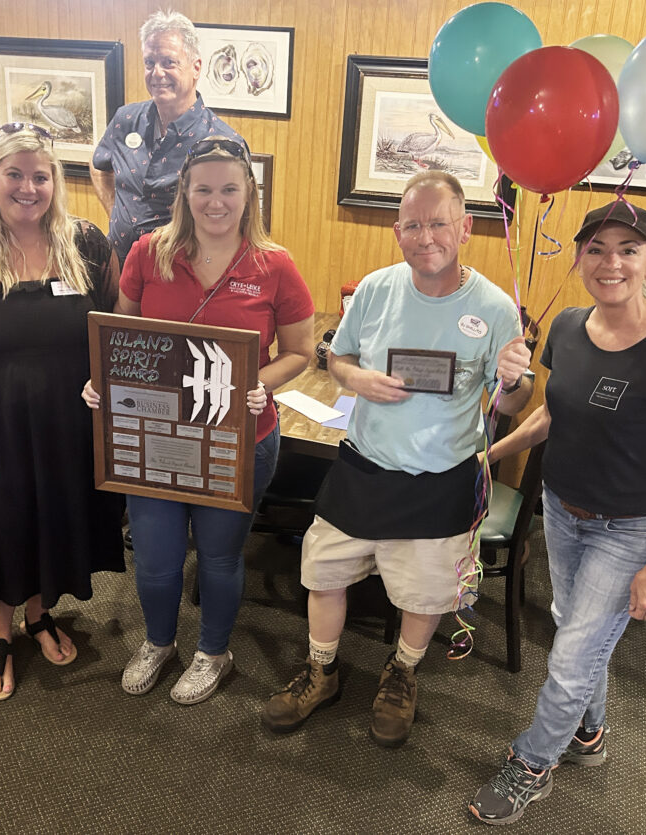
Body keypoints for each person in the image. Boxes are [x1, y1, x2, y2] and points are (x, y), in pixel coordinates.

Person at [263, 170, 533, 746]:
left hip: (442, 476)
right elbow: (336, 358)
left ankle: (402, 674)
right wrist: (356, 375)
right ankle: (321, 670)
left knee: (425, 592)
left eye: (438, 223)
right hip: (363, 464)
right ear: (397, 231)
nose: (425, 235)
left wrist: (513, 381)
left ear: (464, 228)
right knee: (323, 574)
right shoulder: (376, 289)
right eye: (413, 224)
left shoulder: (494, 308)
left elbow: (512, 399)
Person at [468, 201, 646, 825]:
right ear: (580, 258)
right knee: (574, 627)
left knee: (573, 653)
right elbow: (554, 414)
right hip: (562, 510)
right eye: (597, 249)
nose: (611, 263)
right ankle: (589, 733)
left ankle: (533, 762)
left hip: (629, 528)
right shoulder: (571, 327)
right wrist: (490, 455)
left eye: (628, 250)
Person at [83, 136, 314, 704]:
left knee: (218, 555)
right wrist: (103, 379)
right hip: (158, 436)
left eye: (229, 189)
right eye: (204, 188)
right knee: (158, 559)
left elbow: (301, 352)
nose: (216, 201)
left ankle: (214, 652)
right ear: (184, 192)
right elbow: (124, 336)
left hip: (239, 437)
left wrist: (261, 382)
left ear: (248, 194)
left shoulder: (274, 265)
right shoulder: (147, 252)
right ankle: (159, 643)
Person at [0, 124, 124, 701]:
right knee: (4, 522)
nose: (28, 187)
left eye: (41, 176)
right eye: (15, 174)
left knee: (54, 518)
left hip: (71, 416)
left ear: (56, 182)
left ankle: (39, 616)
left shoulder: (85, 242)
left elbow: (118, 325)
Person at [90, 9, 247, 266]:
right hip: (118, 267)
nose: (157, 73)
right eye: (150, 63)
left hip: (180, 277)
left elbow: (238, 225)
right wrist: (112, 210)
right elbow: (98, 165)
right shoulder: (125, 119)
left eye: (168, 62)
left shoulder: (221, 143)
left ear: (196, 67)